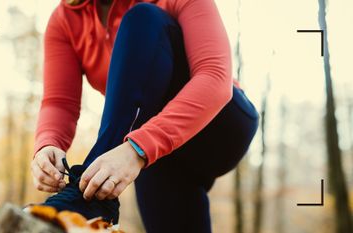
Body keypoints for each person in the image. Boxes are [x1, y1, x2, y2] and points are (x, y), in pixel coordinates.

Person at [30, 0, 259, 232]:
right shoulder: (64, 20)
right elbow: (60, 102)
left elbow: (215, 78)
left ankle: (89, 197)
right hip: (156, 152)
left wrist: (136, 149)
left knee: (144, 18)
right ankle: (92, 196)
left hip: (218, 128)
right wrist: (48, 143)